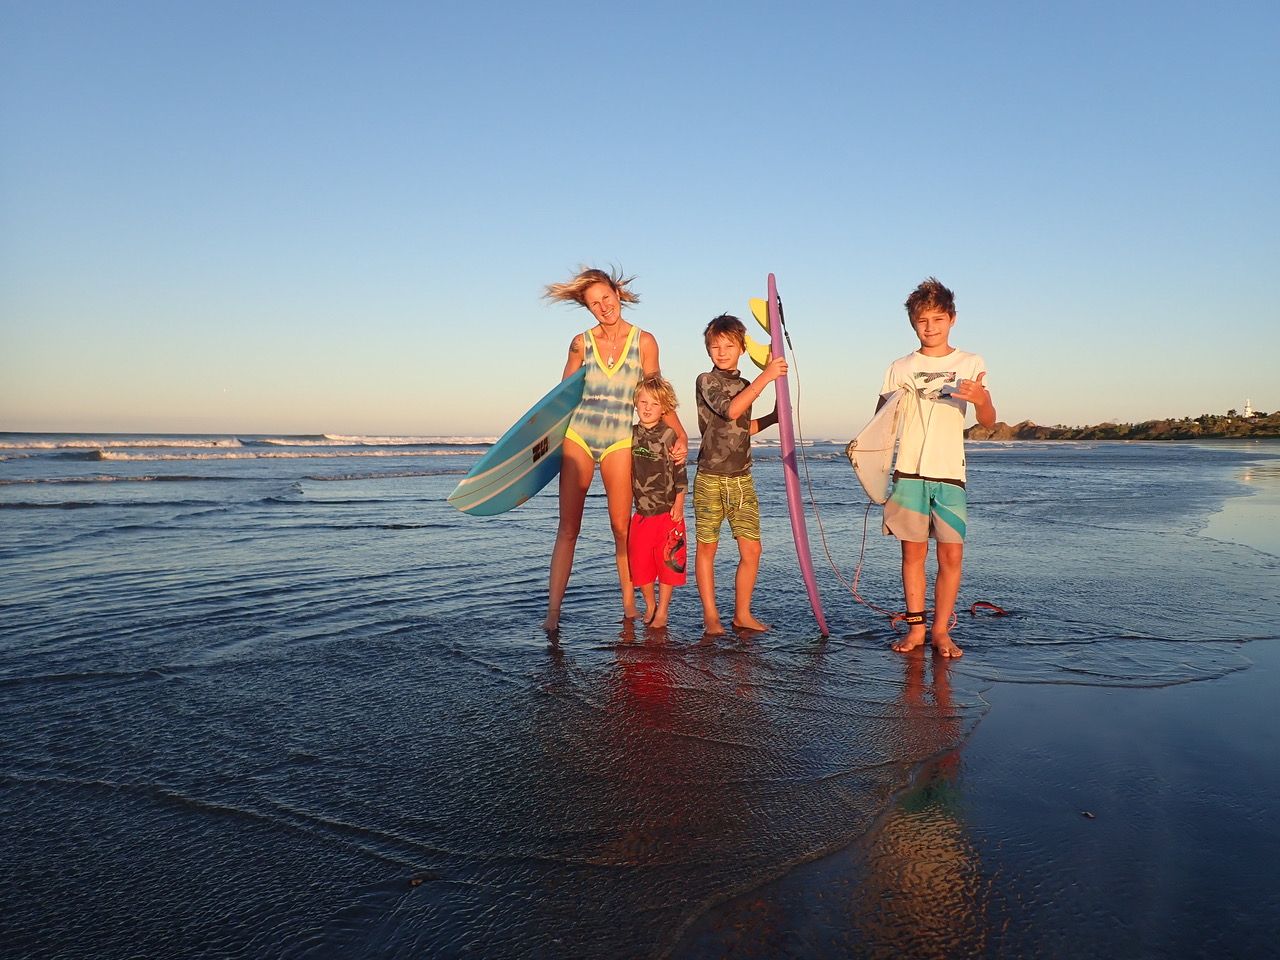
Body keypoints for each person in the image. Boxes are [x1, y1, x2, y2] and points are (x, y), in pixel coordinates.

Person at [542, 267, 687, 632]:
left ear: (617, 294)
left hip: (621, 439)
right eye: (594, 304)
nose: (603, 307)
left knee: (621, 528)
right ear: (588, 308)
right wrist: (543, 447)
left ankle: (629, 607)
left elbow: (656, 393)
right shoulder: (580, 343)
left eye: (606, 298)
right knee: (568, 528)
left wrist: (680, 434)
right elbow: (562, 399)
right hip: (579, 435)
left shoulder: (645, 342)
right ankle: (553, 613)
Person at [878, 277, 996, 657]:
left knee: (951, 556)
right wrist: (872, 469)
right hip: (908, 471)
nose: (930, 328)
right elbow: (881, 422)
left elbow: (989, 421)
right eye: (922, 320)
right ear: (913, 322)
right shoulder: (899, 366)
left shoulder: (970, 363)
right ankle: (916, 630)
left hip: (950, 473)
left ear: (952, 318)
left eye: (937, 319)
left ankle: (942, 631)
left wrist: (981, 399)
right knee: (912, 555)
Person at [693, 314, 787, 635]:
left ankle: (742, 614)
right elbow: (730, 410)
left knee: (752, 550)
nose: (721, 352)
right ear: (708, 350)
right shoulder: (707, 381)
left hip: (742, 480)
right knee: (708, 547)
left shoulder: (745, 386)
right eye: (715, 346)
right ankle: (711, 617)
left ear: (742, 348)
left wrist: (774, 418)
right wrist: (767, 377)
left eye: (728, 346)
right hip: (710, 478)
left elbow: (742, 427)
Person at [628, 376, 688, 628]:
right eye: (643, 402)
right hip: (641, 512)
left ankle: (662, 611)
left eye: (654, 403)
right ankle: (650, 605)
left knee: (668, 564)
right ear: (635, 404)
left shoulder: (669, 435)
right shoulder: (630, 435)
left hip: (667, 512)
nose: (648, 407)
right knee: (640, 564)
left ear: (664, 408)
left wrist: (680, 502)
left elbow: (680, 471)